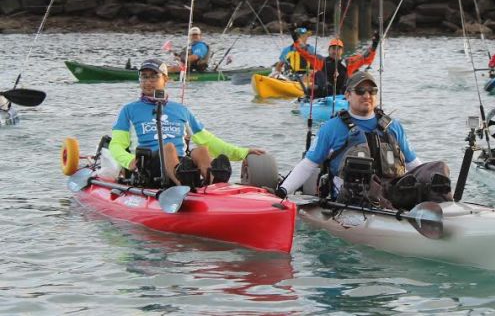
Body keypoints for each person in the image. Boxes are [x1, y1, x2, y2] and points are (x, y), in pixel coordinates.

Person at [276, 71, 452, 210]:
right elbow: (308, 165)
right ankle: (393, 210)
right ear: (347, 95)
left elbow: (413, 164)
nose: (367, 95)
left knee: (437, 168)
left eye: (372, 91)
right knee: (364, 176)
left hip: (391, 189)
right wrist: (282, 192)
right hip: (355, 192)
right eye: (360, 91)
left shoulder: (393, 126)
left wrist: (429, 181)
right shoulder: (331, 128)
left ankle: (444, 208)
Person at [109, 58, 264, 187]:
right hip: (147, 166)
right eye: (144, 77)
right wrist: (129, 161)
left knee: (201, 150)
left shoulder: (181, 110)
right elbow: (116, 145)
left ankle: (214, 182)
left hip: (182, 165)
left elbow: (209, 140)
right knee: (169, 148)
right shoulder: (129, 110)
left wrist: (243, 152)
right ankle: (183, 183)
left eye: (154, 76)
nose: (148, 82)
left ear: (165, 80)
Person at [293, 33, 379, 96]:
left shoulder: (348, 63)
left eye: (338, 49)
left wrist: (374, 45)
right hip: (323, 94)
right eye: (333, 49)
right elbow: (305, 52)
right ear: (329, 50)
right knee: (313, 84)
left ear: (342, 51)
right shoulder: (321, 61)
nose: (335, 51)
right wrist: (296, 40)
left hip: (342, 95)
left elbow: (366, 58)